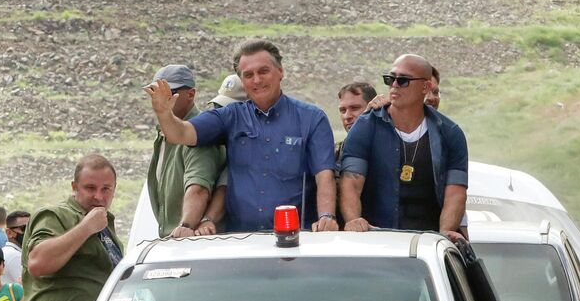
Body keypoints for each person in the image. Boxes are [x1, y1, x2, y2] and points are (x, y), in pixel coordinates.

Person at [145, 39, 337, 232]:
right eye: (248, 75)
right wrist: (164, 113)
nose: (257, 80)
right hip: (241, 243)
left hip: (295, 239)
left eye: (263, 71)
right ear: (242, 81)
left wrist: (326, 216)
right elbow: (182, 134)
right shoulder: (230, 117)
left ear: (281, 71)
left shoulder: (312, 118)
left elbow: (324, 175)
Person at [339, 54, 470, 241]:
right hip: (375, 239)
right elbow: (351, 182)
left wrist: (444, 234)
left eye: (403, 81)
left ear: (426, 87)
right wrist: (354, 220)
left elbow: (456, 193)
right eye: (390, 79)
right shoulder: (366, 126)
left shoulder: (450, 133)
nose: (394, 85)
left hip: (427, 243)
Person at [24, 154, 125, 301]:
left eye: (106, 189)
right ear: (74, 187)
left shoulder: (105, 224)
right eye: (90, 188)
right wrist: (86, 227)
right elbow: (37, 262)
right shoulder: (55, 215)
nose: (98, 196)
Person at [144, 64, 225, 237]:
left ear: (191, 94)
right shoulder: (163, 135)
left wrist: (185, 225)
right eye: (156, 92)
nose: (161, 98)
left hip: (193, 242)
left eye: (169, 93)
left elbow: (198, 188)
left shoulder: (199, 134)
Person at [335, 81, 376, 171]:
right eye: (342, 110)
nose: (347, 116)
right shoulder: (335, 153)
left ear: (373, 108)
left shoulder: (391, 147)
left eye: (355, 108)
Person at [2, 209, 30, 284]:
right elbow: (28, 287)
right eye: (24, 228)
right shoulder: (15, 256)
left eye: (32, 227)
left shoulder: (6, 252)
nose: (30, 232)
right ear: (9, 232)